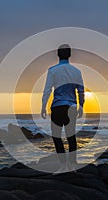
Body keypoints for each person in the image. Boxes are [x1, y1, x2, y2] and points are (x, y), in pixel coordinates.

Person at [41, 44, 85, 172]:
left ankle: (63, 164)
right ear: (70, 55)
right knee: (71, 136)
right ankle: (73, 164)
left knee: (56, 136)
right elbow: (80, 90)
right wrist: (81, 106)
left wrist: (43, 106)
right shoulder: (77, 71)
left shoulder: (53, 70)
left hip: (58, 107)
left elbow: (47, 90)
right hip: (71, 107)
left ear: (58, 55)